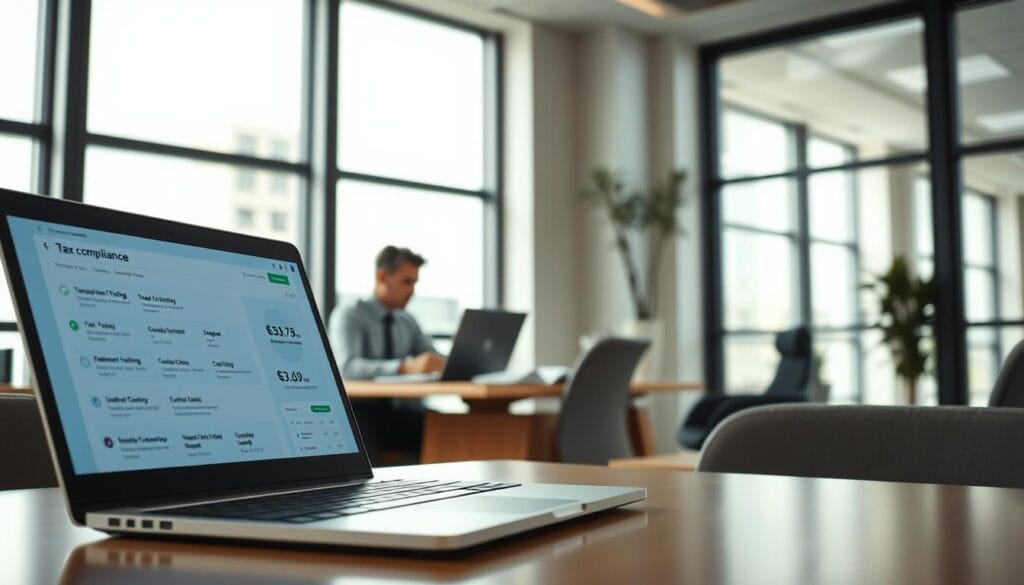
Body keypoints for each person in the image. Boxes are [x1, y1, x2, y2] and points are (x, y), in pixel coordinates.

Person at [329, 245, 444, 464]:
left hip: (402, 411)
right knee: (363, 429)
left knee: (445, 429)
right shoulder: (350, 314)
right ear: (382, 276)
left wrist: (449, 362)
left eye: (415, 283)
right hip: (364, 412)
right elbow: (348, 367)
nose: (413, 291)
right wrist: (404, 367)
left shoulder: (406, 321)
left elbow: (432, 356)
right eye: (407, 282)